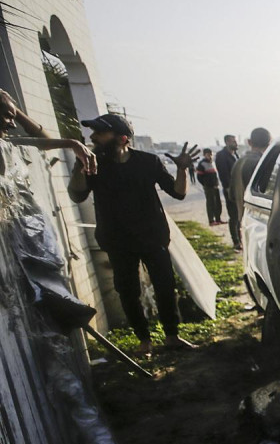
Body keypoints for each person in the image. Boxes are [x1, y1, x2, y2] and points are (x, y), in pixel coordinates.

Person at [67, 113, 199, 355]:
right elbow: (77, 195)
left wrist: (181, 169)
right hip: (117, 240)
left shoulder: (148, 162)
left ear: (122, 138)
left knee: (165, 287)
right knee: (127, 292)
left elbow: (178, 193)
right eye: (93, 132)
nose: (93, 137)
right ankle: (144, 342)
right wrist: (80, 166)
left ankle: (172, 337)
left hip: (152, 236)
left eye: (100, 132)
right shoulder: (95, 165)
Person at [0, 88, 96, 173]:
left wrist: (10, 105)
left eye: (14, 118)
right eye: (7, 116)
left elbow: (43, 139)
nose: (14, 125)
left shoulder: (4, 144)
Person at [227, 127, 271, 230]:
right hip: (260, 224)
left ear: (249, 142)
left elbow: (232, 195)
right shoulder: (262, 164)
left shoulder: (238, 162)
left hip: (245, 220)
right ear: (269, 144)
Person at [215, 134, 241, 250]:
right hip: (230, 190)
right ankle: (235, 241)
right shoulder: (221, 156)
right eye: (233, 141)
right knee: (234, 216)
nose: (235, 143)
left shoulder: (235, 155)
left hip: (239, 190)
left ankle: (240, 239)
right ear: (226, 142)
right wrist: (229, 188)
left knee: (240, 216)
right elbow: (224, 174)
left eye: (235, 141)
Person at [195, 147, 223, 225]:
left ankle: (218, 219)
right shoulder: (202, 164)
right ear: (204, 155)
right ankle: (211, 220)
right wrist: (206, 184)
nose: (210, 156)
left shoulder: (212, 163)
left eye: (211, 154)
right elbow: (199, 177)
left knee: (218, 203)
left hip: (216, 186)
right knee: (211, 203)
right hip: (209, 187)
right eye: (208, 154)